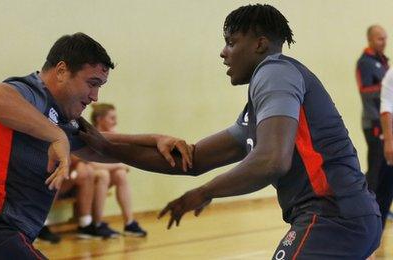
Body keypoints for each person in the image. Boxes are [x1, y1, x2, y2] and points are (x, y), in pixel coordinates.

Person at [80, 4, 381, 259]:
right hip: (342, 218)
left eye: (231, 42)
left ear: (260, 44)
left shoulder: (274, 72)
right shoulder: (260, 109)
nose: (223, 53)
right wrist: (106, 144)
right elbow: (193, 159)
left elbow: (271, 161)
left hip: (334, 217)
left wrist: (205, 192)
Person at [0, 32, 182, 259]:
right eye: (92, 83)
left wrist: (155, 140)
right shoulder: (32, 92)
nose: (95, 97)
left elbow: (101, 146)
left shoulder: (61, 117)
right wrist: (57, 136)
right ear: (61, 71)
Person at [85, 103, 146, 238]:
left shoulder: (113, 136)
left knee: (120, 174)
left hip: (100, 173)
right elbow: (90, 164)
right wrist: (118, 165)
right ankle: (97, 224)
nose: (115, 121)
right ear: (100, 119)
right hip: (84, 177)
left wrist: (119, 164)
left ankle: (129, 223)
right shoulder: (90, 135)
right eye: (112, 118)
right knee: (104, 174)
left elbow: (124, 161)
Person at [357, 25, 393, 225]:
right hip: (374, 123)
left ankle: (380, 207)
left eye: (386, 38)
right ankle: (367, 210)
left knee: (384, 171)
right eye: (380, 39)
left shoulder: (384, 62)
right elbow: (366, 91)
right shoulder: (365, 63)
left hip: (386, 124)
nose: (384, 42)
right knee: (376, 168)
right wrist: (386, 87)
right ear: (370, 39)